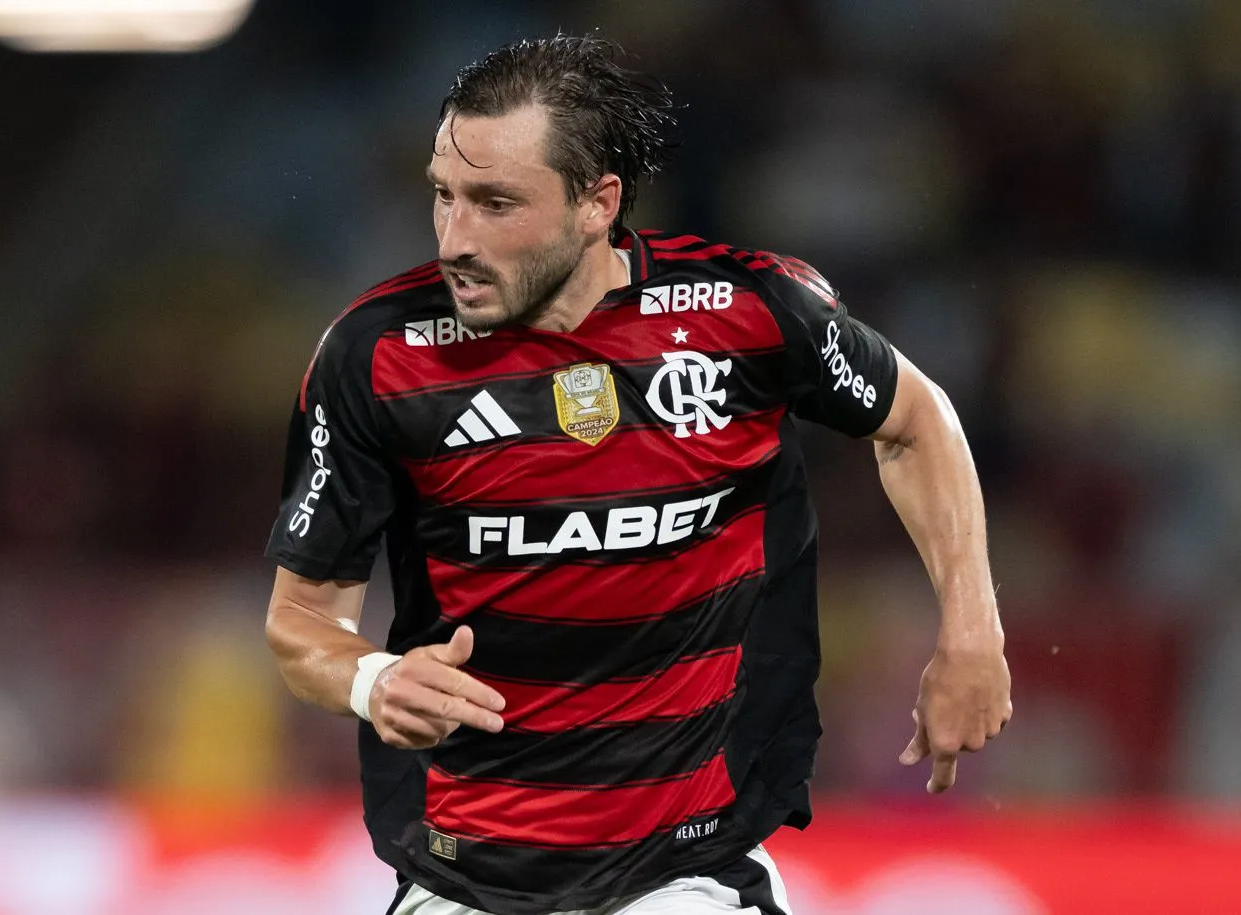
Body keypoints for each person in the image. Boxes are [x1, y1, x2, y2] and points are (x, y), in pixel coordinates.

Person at [264, 35, 1012, 915]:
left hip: (683, 868)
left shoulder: (745, 313)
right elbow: (300, 623)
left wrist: (971, 629)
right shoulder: (378, 357)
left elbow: (914, 419)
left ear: (596, 202)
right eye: (443, 196)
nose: (455, 237)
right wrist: (372, 678)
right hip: (463, 873)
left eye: (495, 202)